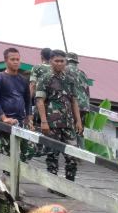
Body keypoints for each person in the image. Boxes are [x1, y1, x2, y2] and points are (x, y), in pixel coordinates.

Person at [36, 51, 83, 180]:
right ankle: (53, 184)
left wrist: (78, 121)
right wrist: (44, 122)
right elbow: (40, 101)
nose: (59, 63)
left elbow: (74, 101)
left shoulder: (69, 80)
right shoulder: (45, 79)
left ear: (66, 62)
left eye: (62, 61)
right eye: (57, 61)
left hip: (68, 123)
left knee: (72, 155)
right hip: (52, 123)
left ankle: (69, 183)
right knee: (52, 154)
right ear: (51, 61)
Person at [0, 47, 30, 156]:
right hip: (6, 121)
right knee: (7, 153)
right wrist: (4, 118)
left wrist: (29, 118)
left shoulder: (23, 80)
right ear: (5, 61)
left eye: (17, 59)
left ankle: (19, 172)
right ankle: (6, 173)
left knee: (28, 151)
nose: (16, 62)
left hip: (21, 121)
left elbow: (28, 100)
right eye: (12, 59)